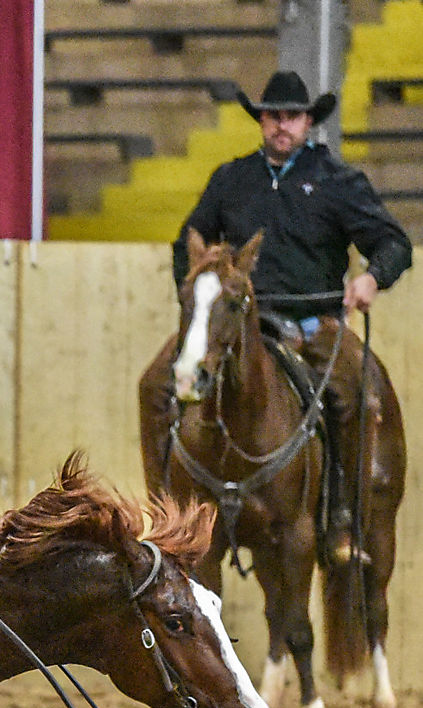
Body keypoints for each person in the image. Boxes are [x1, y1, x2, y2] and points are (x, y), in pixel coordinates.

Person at [169, 70, 413, 562]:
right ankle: (171, 516)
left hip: (313, 327)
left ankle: (343, 517)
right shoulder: (230, 179)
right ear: (261, 121)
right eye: (273, 116)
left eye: (292, 116)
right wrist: (197, 290)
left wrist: (371, 278)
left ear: (309, 121)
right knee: (156, 386)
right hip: (235, 328)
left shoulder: (338, 182)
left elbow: (394, 243)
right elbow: (187, 241)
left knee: (359, 396)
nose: (282, 125)